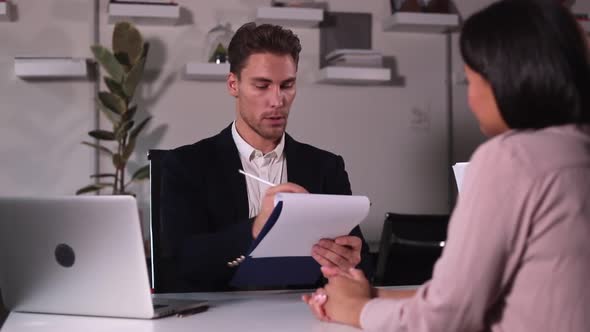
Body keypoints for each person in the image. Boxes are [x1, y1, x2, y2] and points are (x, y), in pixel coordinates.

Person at [303, 0, 590, 330]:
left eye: (471, 80)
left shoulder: (509, 158)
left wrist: (355, 309)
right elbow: (517, 295)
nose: (471, 99)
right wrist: (372, 296)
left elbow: (446, 318)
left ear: (504, 80)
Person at [160, 22, 373, 291]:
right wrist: (255, 230)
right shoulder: (186, 165)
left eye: (287, 85)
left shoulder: (326, 167)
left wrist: (349, 263)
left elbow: (364, 267)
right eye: (262, 86)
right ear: (233, 84)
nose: (277, 100)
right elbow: (181, 264)